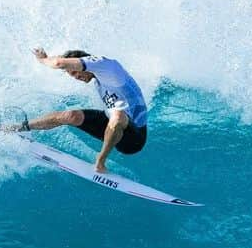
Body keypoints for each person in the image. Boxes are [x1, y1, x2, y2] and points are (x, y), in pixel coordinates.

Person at [9, 48, 148, 173]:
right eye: (71, 75)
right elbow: (62, 61)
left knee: (118, 115)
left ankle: (100, 161)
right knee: (71, 116)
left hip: (134, 138)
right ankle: (19, 127)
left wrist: (43, 59)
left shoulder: (106, 65)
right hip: (113, 121)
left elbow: (59, 63)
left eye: (75, 72)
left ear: (83, 63)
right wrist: (50, 56)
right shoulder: (98, 75)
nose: (76, 77)